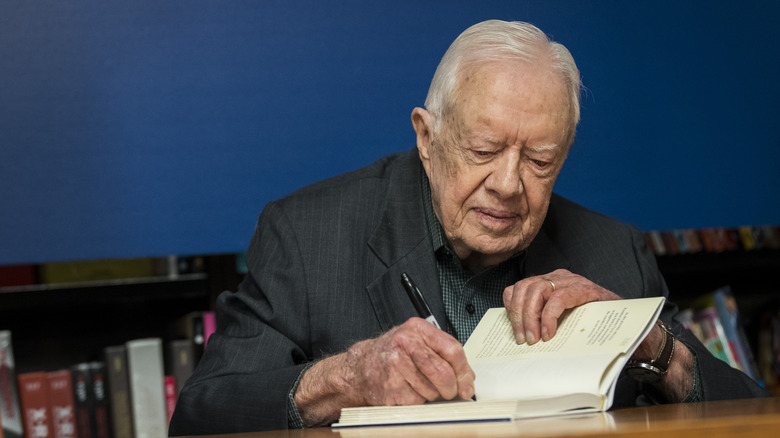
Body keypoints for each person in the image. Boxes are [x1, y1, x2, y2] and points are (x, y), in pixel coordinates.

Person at [168, 20, 768, 436]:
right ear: (427, 139)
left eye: (539, 161)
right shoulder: (307, 234)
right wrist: (349, 378)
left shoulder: (613, 252)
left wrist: (656, 350)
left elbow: (754, 418)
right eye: (483, 149)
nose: (509, 184)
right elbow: (201, 416)